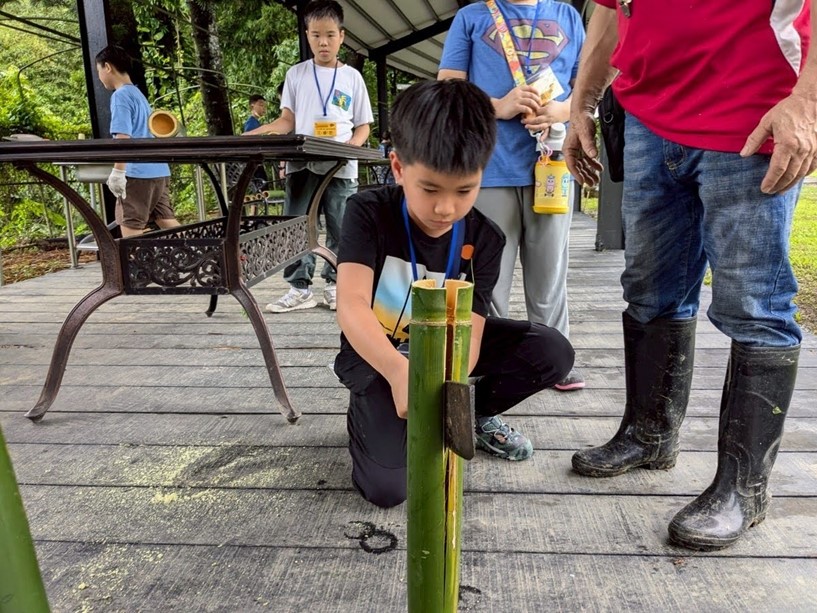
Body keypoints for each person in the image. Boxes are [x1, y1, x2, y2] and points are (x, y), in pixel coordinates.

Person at [564, 2, 813, 550]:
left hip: (752, 117)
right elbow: (608, 13)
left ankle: (744, 489)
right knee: (649, 289)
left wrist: (809, 100)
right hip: (649, 117)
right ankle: (650, 433)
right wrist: (581, 104)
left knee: (755, 305)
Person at [334, 79, 575, 508]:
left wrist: (451, 388)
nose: (446, 208)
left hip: (447, 352)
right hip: (380, 356)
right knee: (388, 490)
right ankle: (371, 411)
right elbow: (351, 305)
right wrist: (398, 371)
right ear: (398, 168)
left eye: (465, 190)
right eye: (429, 189)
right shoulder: (368, 212)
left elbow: (474, 330)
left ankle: (476, 414)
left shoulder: (486, 238)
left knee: (553, 351)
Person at [438, 0, 587, 392]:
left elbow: (588, 87)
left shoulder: (568, 16)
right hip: (489, 169)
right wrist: (498, 106)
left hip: (553, 169)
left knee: (550, 274)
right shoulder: (472, 16)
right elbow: (449, 88)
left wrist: (561, 111)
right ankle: (487, 363)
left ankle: (556, 360)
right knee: (488, 278)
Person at [246, 0, 373, 313]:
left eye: (330, 35)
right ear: (307, 36)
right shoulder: (297, 74)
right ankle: (299, 288)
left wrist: (351, 148)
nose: (323, 42)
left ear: (341, 36)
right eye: (316, 35)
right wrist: (256, 133)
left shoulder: (352, 78)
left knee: (341, 226)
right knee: (297, 224)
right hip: (302, 163)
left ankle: (336, 285)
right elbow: (286, 121)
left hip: (341, 165)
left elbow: (363, 126)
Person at [95, 45, 180, 237]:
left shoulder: (120, 96)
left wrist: (118, 172)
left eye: (98, 71)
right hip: (159, 171)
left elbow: (122, 138)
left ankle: (136, 260)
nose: (99, 77)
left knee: (131, 229)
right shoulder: (138, 94)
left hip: (137, 174)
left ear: (107, 67)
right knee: (166, 220)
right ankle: (201, 251)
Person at [241, 94, 270, 190]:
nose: (263, 108)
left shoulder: (255, 122)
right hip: (254, 161)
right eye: (261, 105)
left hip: (256, 161)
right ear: (252, 106)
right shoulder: (251, 123)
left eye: (264, 106)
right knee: (262, 189)